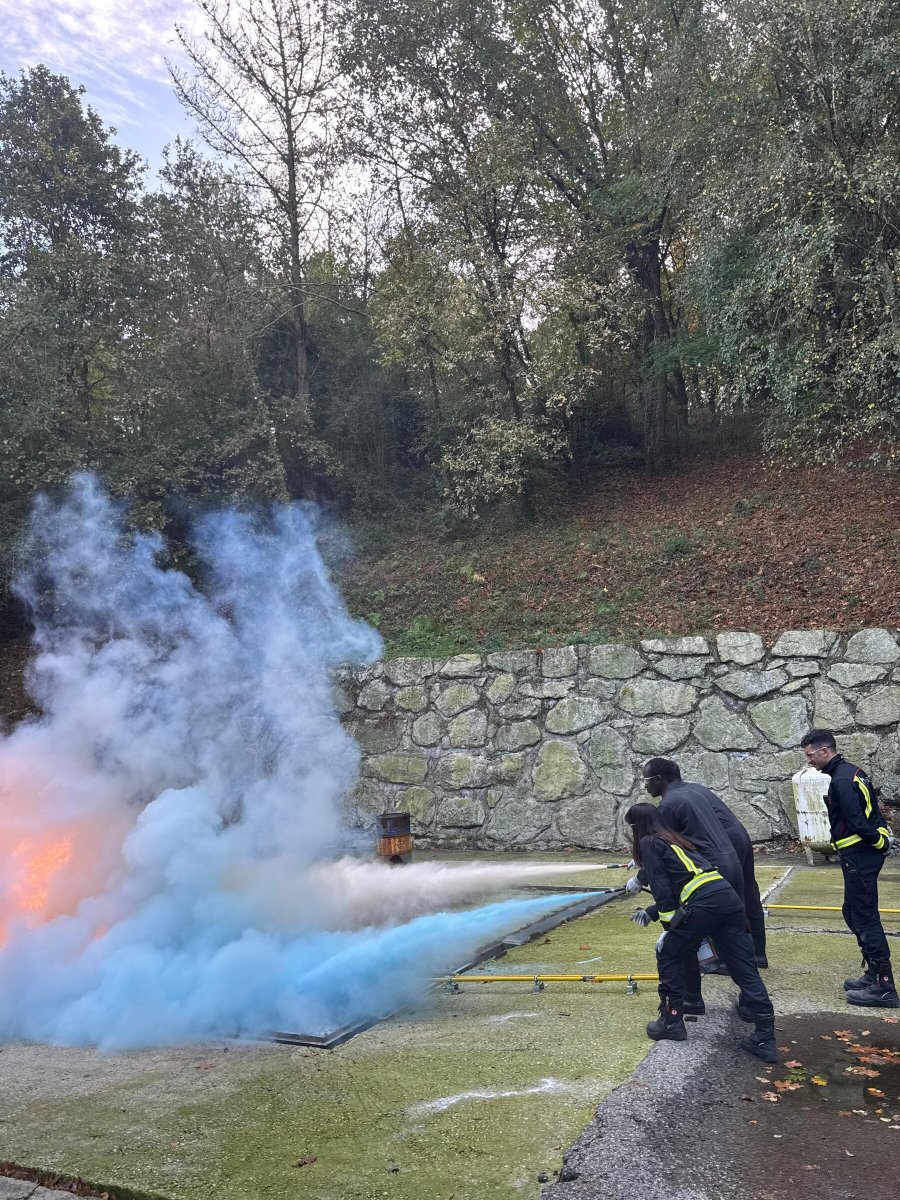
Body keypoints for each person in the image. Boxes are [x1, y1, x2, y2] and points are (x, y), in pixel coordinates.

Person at [625, 801, 777, 1062]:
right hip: (727, 900)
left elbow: (663, 888)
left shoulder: (649, 842)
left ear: (637, 826)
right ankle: (765, 1037)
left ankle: (671, 1022)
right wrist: (650, 913)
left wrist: (668, 928)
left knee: (669, 954)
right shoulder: (675, 840)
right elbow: (686, 880)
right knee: (743, 967)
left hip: (705, 904)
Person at [625, 758, 746, 1013]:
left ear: (657, 779)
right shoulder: (692, 794)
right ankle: (750, 1003)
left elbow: (664, 878)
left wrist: (668, 926)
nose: (646, 786)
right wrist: (651, 911)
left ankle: (685, 1006)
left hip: (705, 882)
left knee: (679, 945)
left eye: (646, 781)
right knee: (733, 943)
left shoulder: (667, 807)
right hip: (727, 869)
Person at [800, 728, 900, 1008]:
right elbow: (872, 813)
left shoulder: (842, 780)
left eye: (811, 755)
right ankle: (873, 973)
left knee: (864, 915)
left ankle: (884, 986)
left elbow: (857, 821)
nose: (809, 761)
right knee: (852, 911)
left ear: (824, 751)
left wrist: (879, 841)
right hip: (859, 854)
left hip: (860, 855)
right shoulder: (851, 772)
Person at [685, 781, 768, 968]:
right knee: (748, 892)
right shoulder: (695, 790)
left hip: (722, 845)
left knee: (724, 900)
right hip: (738, 837)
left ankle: (730, 960)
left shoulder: (673, 801)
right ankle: (758, 955)